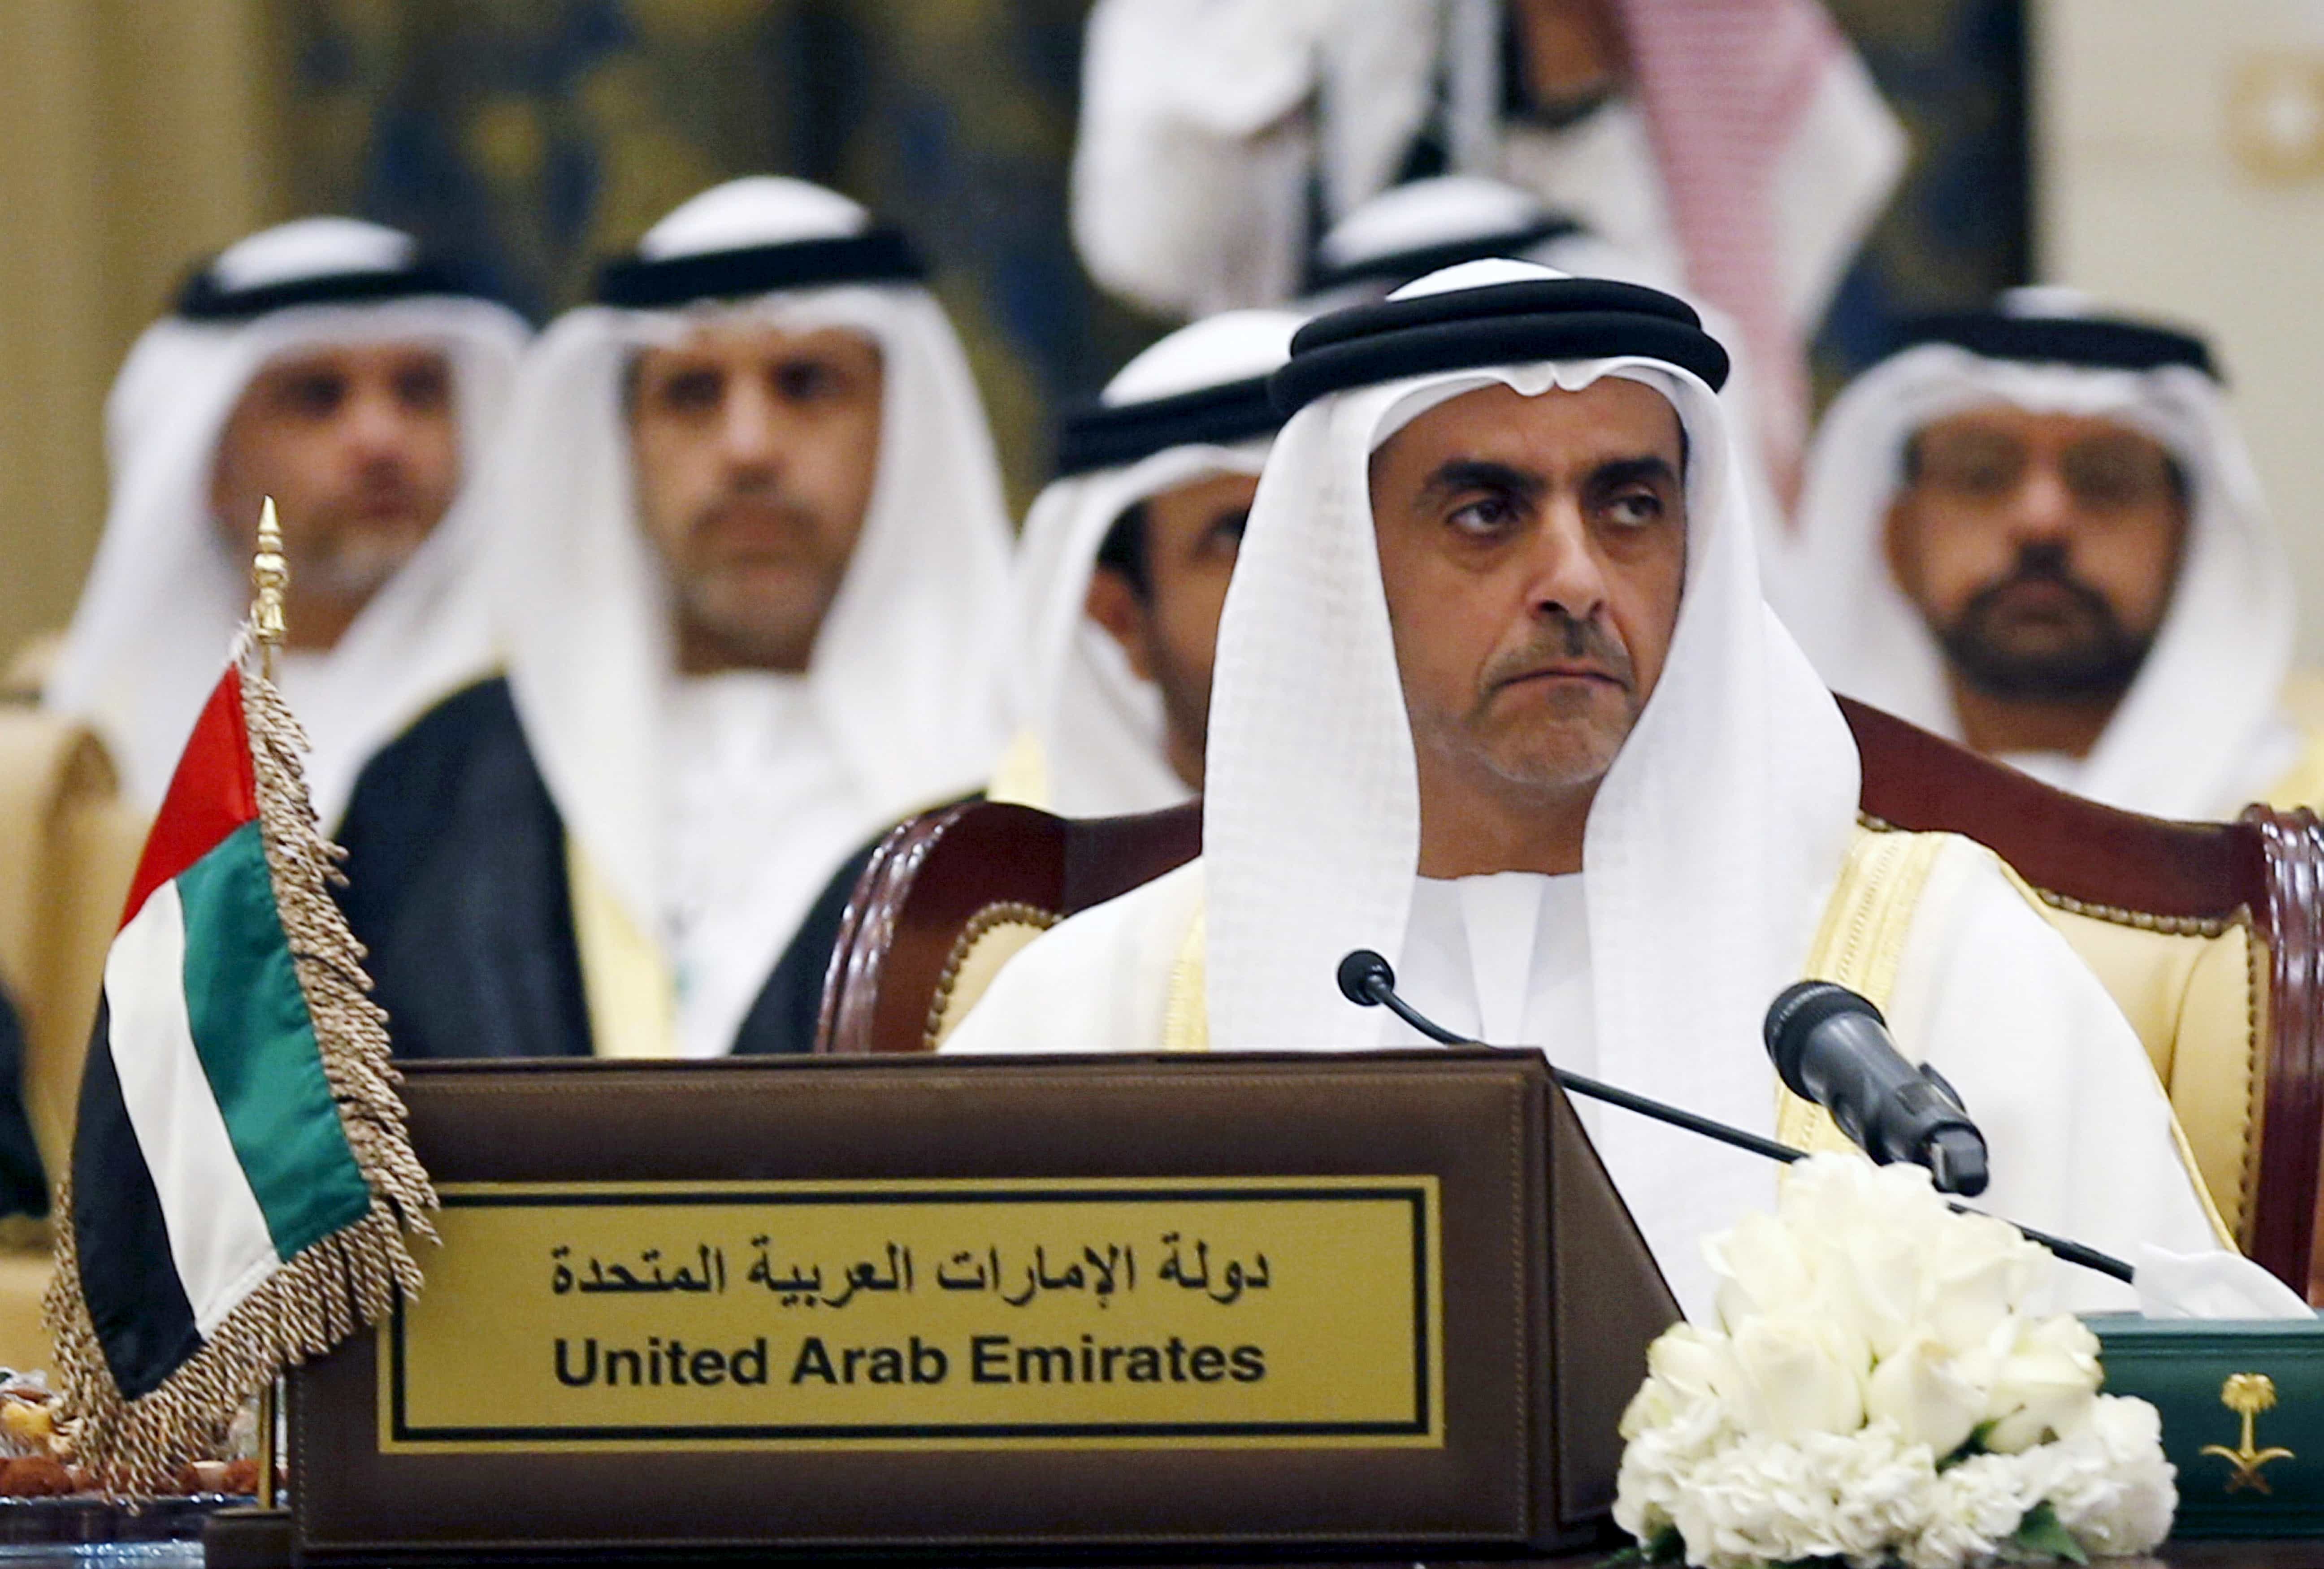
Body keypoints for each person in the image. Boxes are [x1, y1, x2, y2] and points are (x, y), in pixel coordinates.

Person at [942, 261, 2262, 1322]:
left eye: (1630, 505)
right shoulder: (1107, 998)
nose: (1575, 574)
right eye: (1485, 511)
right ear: (1348, 576)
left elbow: (2205, 1423)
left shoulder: (1924, 964)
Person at [337, 178, 1015, 1062]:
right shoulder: (446, 789)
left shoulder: (1029, 768)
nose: (748, 449)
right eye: (692, 393)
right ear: (622, 440)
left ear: (903, 425)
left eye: (806, 384)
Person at [1070, 0, 1904, 492]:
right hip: (1294, 396)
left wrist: (1569, 66)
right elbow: (1142, 244)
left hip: (1569, 385)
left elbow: (1751, 195)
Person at [41, 218, 529, 826]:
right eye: (318, 397)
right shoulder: (83, 739)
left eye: (418, 391)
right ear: (210, 466)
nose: (381, 439)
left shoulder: (547, 698)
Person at [1779, 291, 2324, 818]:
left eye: (2106, 480)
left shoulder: (2302, 812)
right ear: (1895, 535)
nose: (2042, 521)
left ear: (2190, 541)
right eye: (1981, 475)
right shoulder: (1788, 809)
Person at [992, 308, 1303, 814]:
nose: (1323, 568)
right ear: (1122, 617)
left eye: (1346, 518)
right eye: (1241, 534)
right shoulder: (1009, 890)